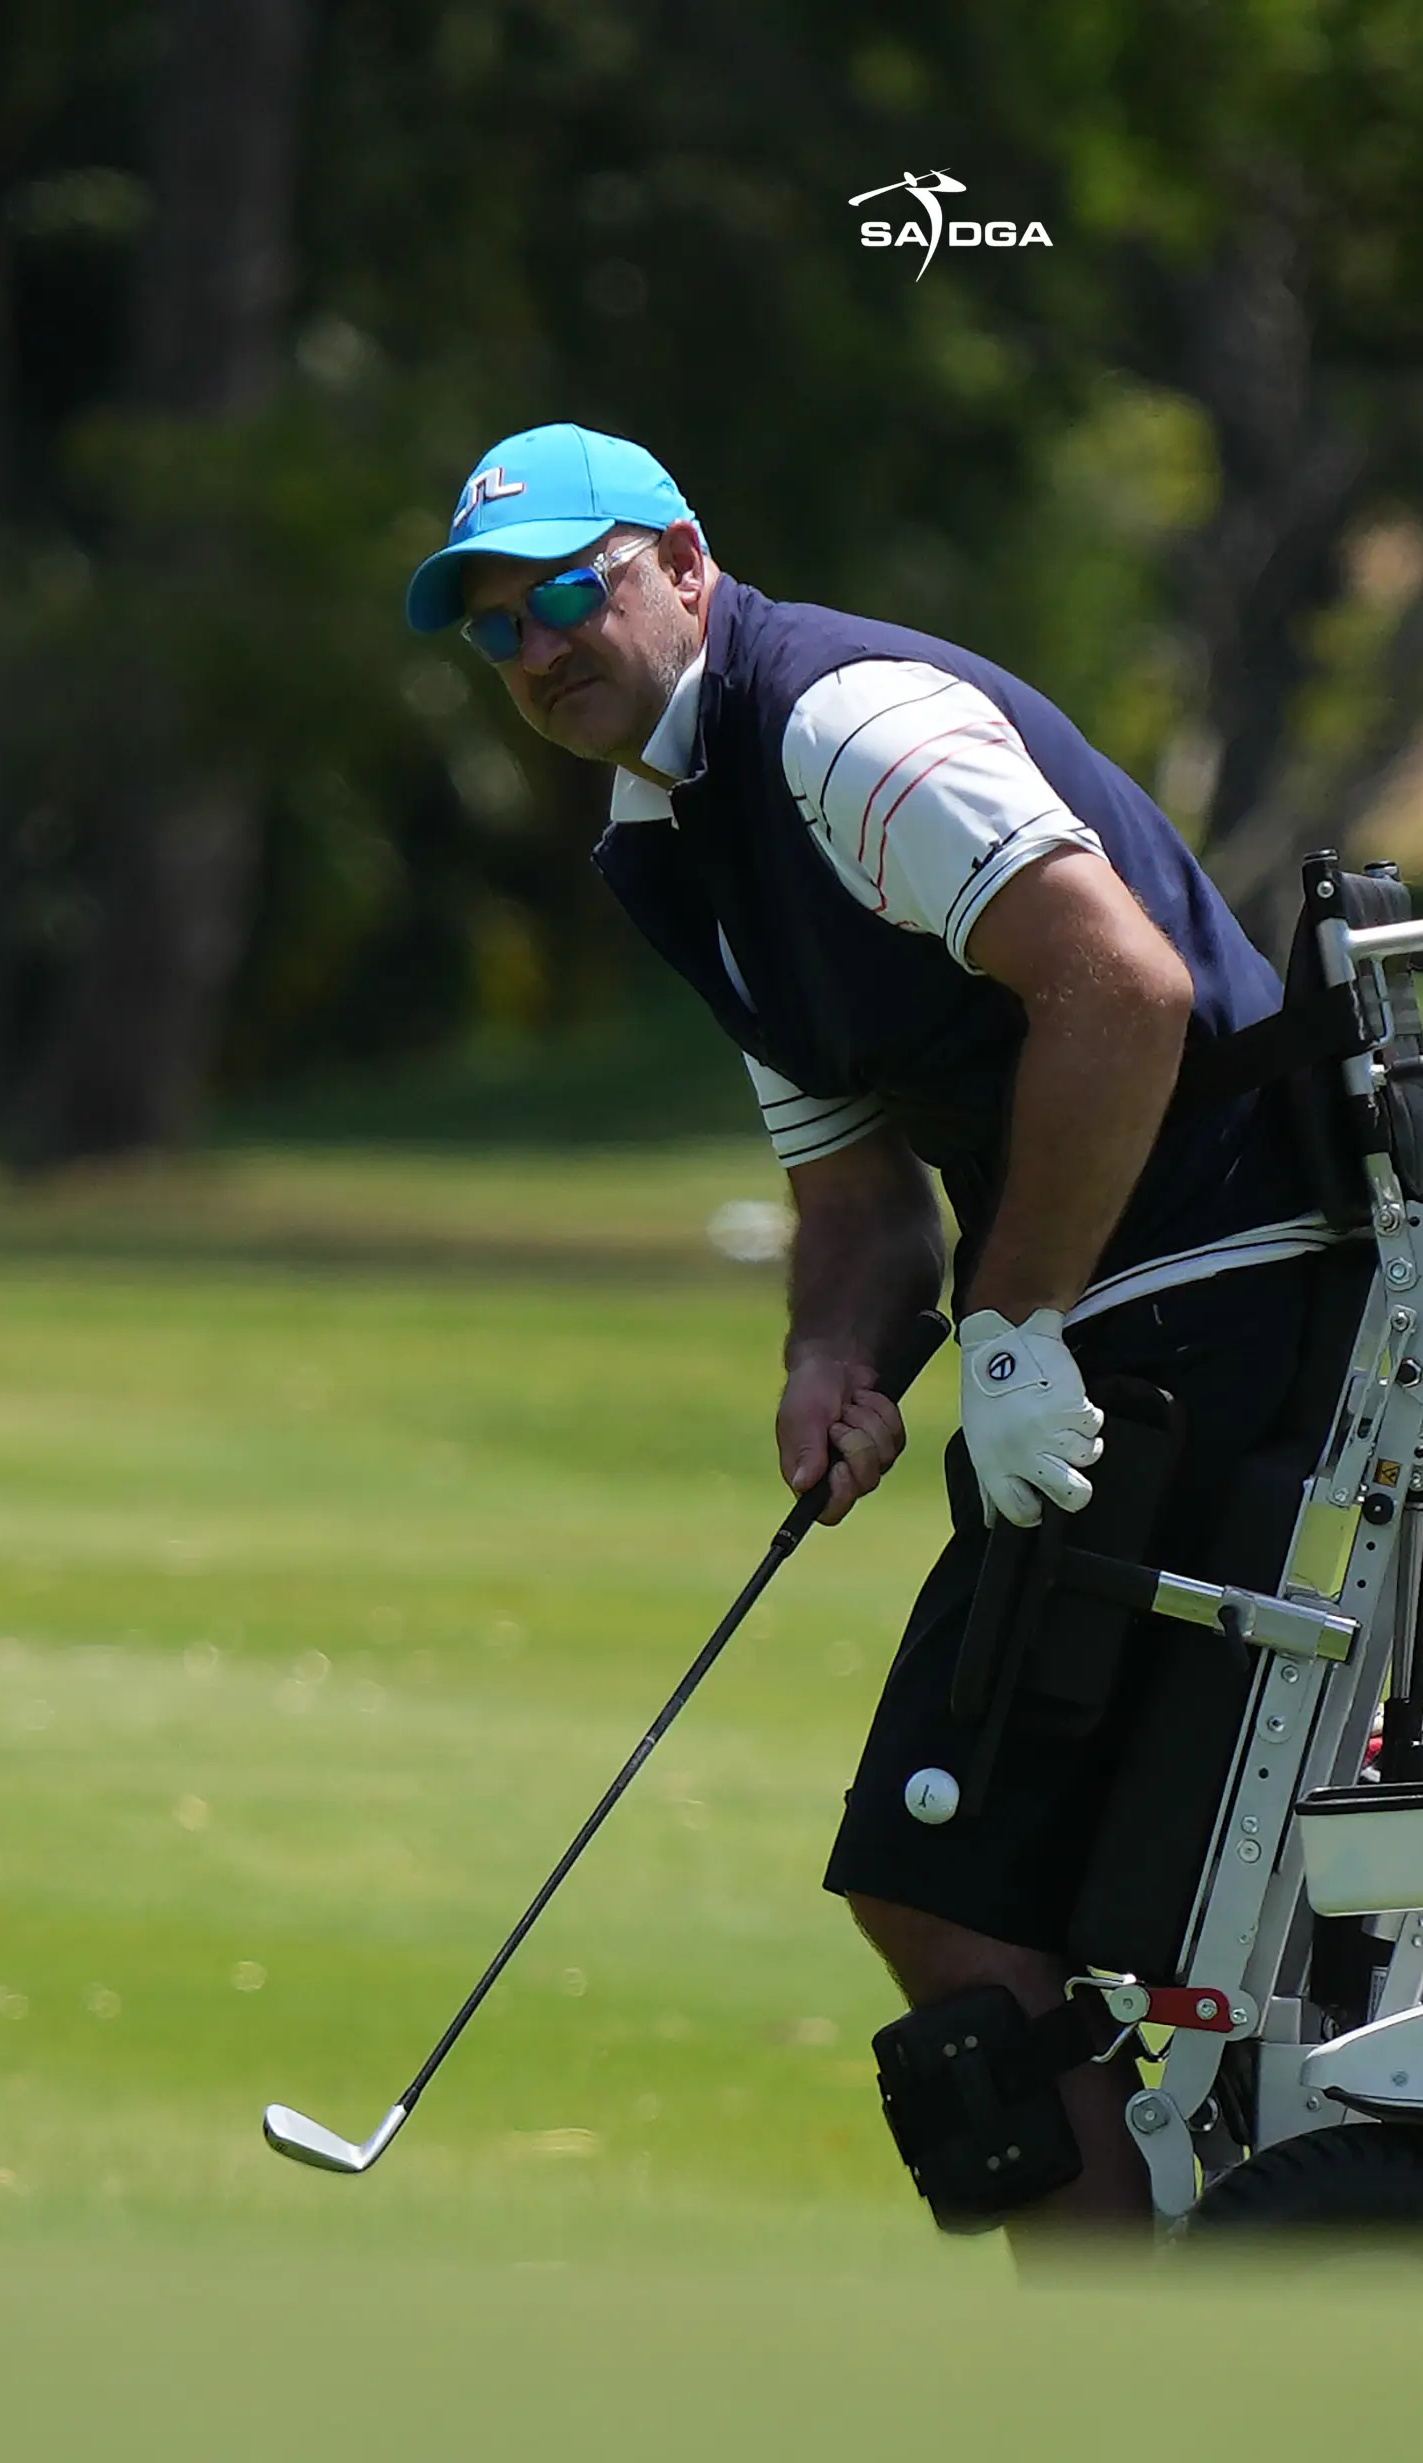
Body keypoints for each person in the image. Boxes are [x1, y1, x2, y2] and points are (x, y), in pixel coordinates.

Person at [404, 423, 1332, 2234]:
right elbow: (851, 1189)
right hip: (1102, 1346)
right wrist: (829, 1355)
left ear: (681, 558)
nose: (538, 652)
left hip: (1218, 1311)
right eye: (495, 630)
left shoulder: (845, 729)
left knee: (954, 1871)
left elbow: (1120, 991)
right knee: (967, 1884)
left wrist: (1002, 1335)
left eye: (570, 596)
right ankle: (1156, 2314)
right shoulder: (668, 838)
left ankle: (1137, 2361)